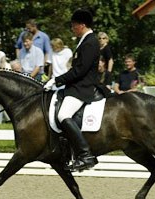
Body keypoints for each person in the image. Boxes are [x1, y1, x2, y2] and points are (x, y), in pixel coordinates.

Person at [44, 8, 99, 171]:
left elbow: (80, 70)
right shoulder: (84, 40)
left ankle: (85, 155)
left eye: (73, 25)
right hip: (75, 86)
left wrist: (57, 80)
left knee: (63, 114)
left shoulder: (90, 41)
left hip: (82, 88)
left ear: (82, 25)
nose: (72, 28)